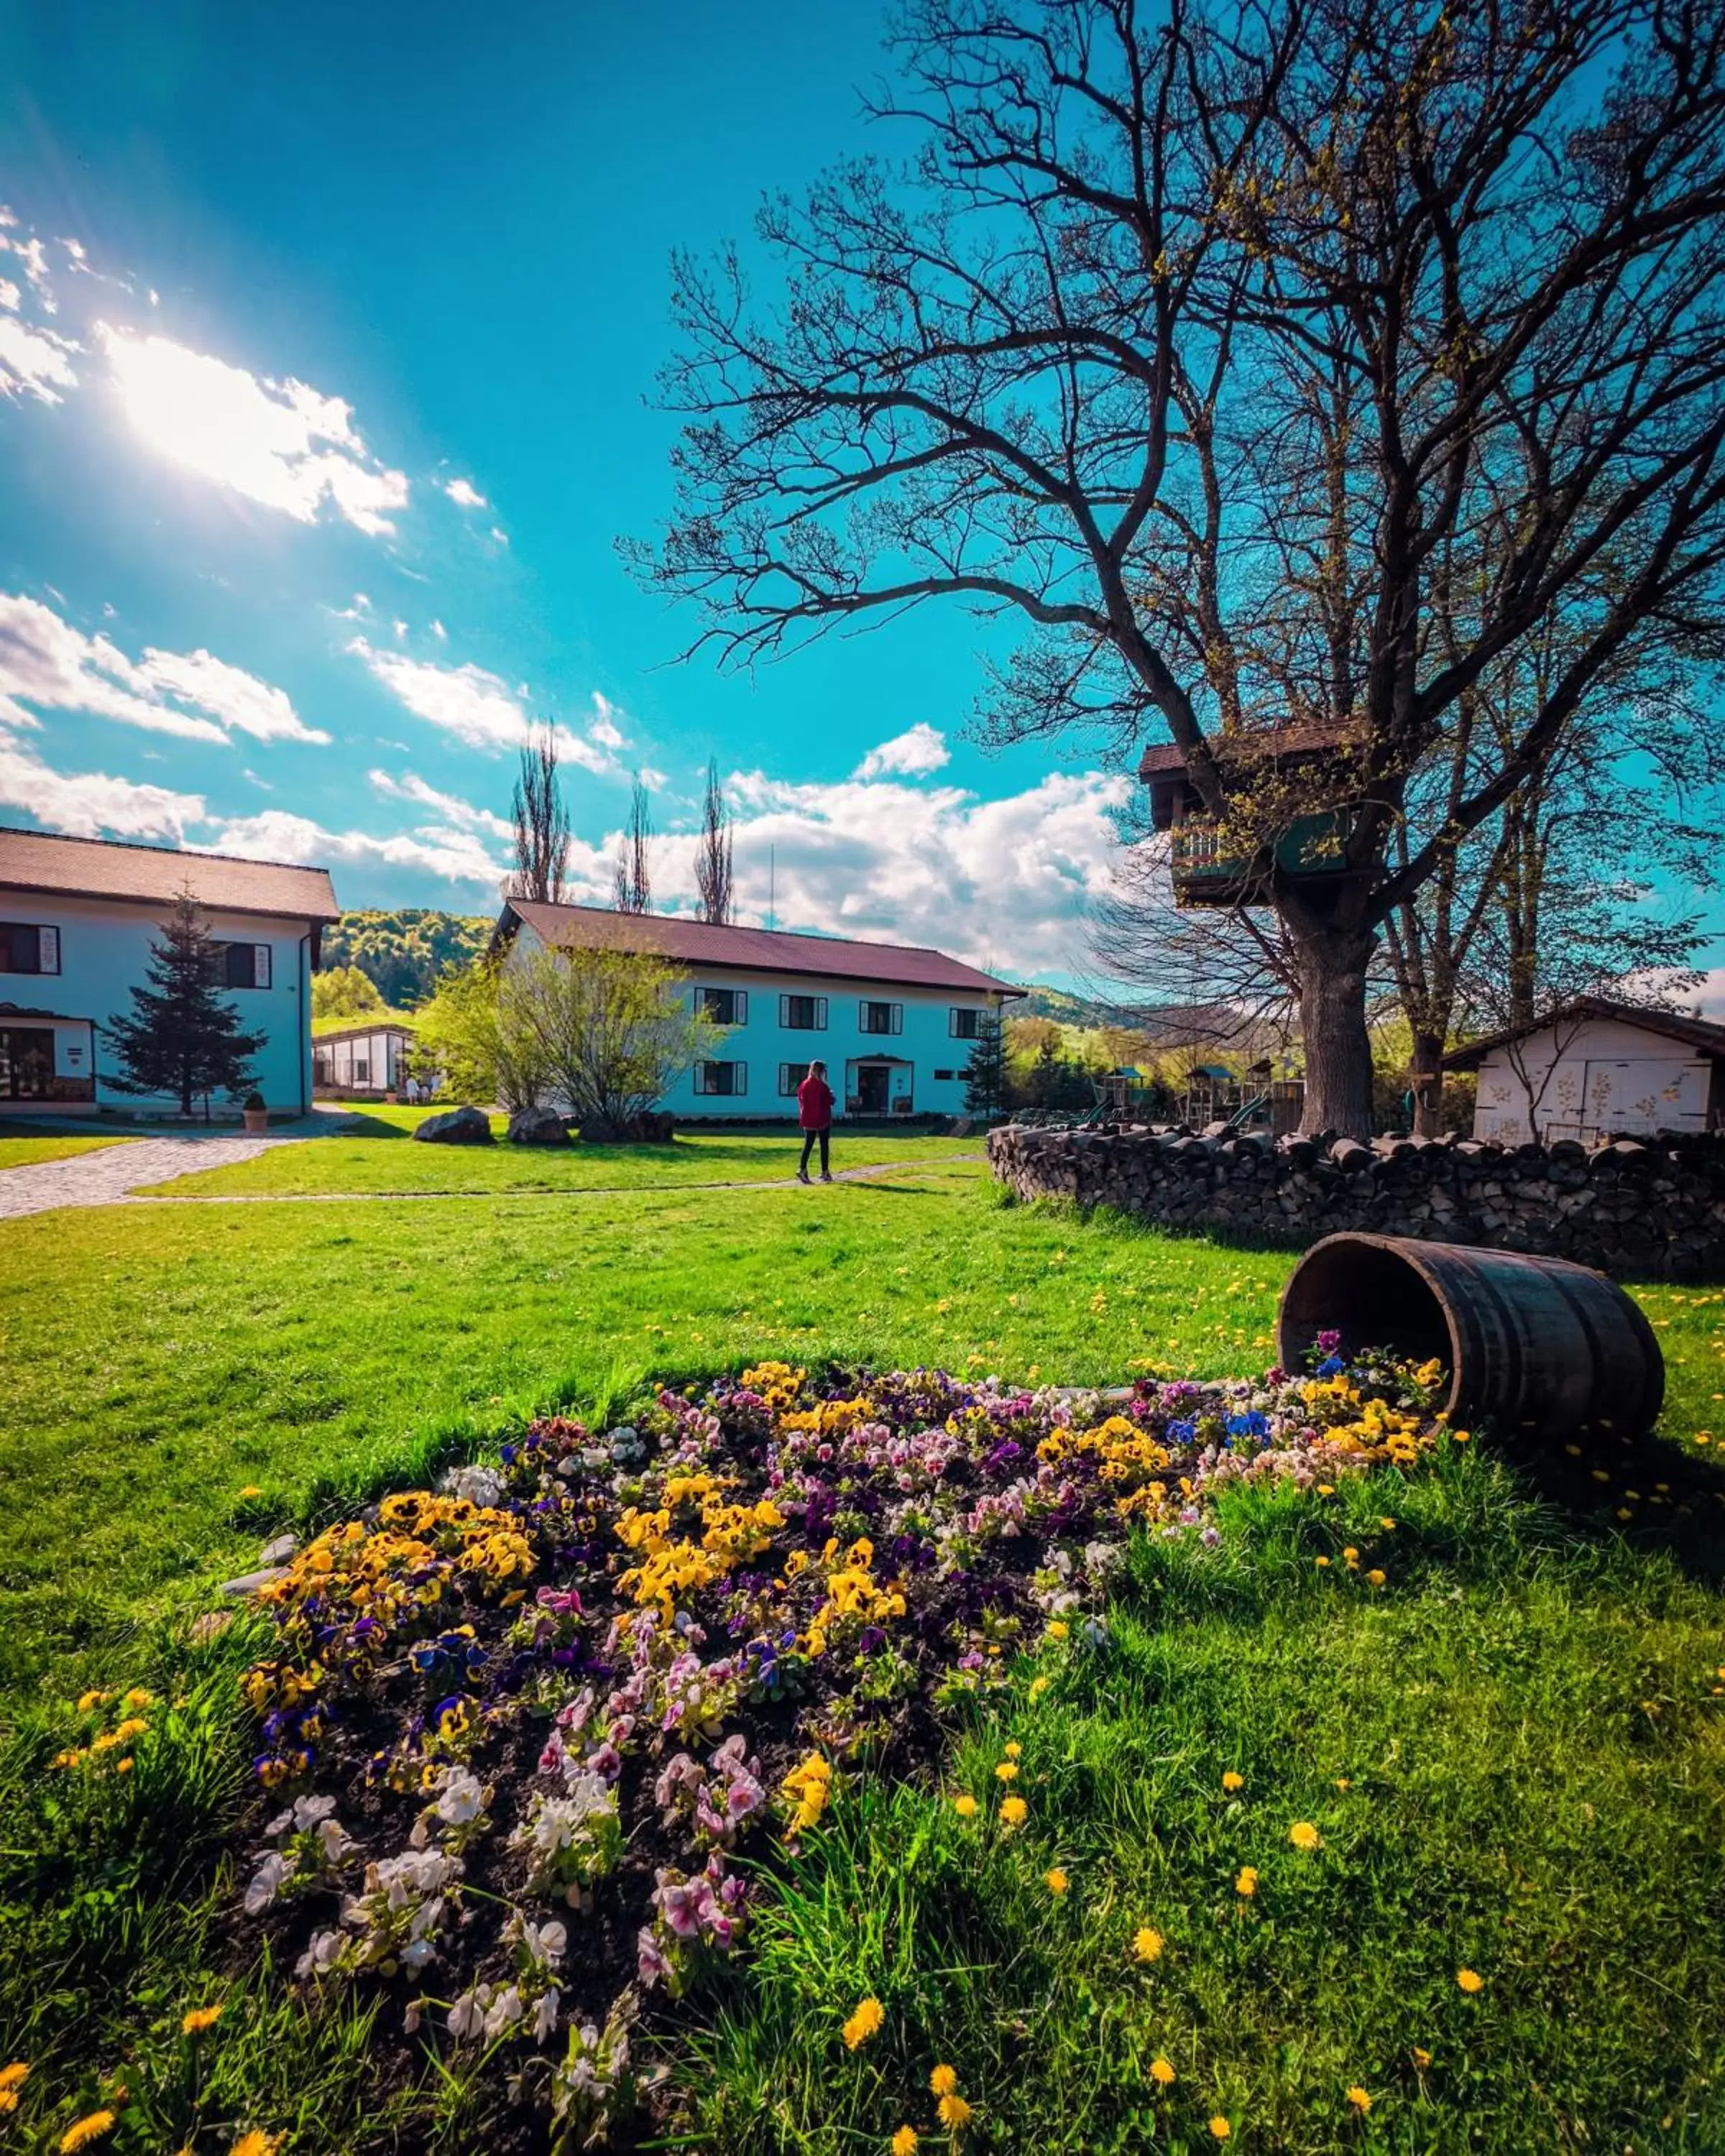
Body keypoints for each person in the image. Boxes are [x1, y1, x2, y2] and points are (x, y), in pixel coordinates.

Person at [796, 1059, 835, 1183]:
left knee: (808, 1145)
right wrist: (831, 1096)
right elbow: (829, 1101)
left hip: (807, 1119)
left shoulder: (804, 1084)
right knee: (824, 1145)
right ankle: (825, 1171)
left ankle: (802, 1169)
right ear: (822, 1072)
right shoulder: (823, 1086)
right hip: (822, 1119)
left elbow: (801, 1100)